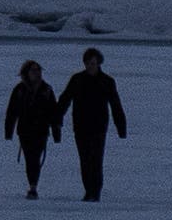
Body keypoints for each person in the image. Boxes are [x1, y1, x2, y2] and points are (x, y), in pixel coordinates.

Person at [54, 47, 127, 201]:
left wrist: (121, 127)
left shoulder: (107, 81)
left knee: (96, 160)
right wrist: (57, 119)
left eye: (93, 63)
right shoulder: (77, 79)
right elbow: (64, 100)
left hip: (99, 126)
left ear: (98, 63)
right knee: (85, 160)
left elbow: (115, 105)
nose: (90, 66)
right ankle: (88, 191)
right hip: (80, 126)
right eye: (87, 63)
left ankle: (96, 192)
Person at [2, 59, 62, 198]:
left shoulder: (47, 90)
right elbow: (12, 112)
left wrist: (56, 132)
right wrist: (8, 131)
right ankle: (33, 185)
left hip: (41, 130)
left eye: (38, 70)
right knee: (30, 158)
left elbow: (54, 112)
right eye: (33, 70)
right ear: (27, 73)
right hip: (25, 130)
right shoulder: (20, 90)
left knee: (35, 158)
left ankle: (33, 186)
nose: (37, 73)